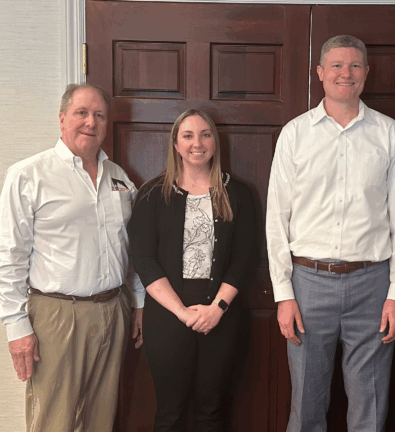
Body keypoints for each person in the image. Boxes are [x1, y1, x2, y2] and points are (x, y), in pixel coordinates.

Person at [266, 35, 395, 432]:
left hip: (373, 285)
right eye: (336, 65)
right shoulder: (295, 134)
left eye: (354, 65)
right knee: (306, 403)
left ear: (366, 73)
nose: (345, 73)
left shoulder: (389, 133)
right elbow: (276, 218)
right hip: (307, 283)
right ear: (320, 72)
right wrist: (283, 294)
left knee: (370, 404)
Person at [0, 83, 144, 432]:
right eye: (81, 113)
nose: (91, 122)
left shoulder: (119, 179)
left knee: (101, 419)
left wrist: (138, 302)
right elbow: (9, 256)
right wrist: (16, 327)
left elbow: (133, 247)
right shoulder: (28, 175)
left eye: (99, 115)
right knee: (54, 422)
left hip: (113, 311)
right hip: (57, 315)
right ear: (62, 119)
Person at [127, 109, 257, 431]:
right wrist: (182, 312)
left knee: (212, 412)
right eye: (188, 135)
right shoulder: (153, 194)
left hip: (221, 316)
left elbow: (245, 257)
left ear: (215, 141)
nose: (197, 143)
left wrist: (217, 308)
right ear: (175, 144)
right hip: (167, 315)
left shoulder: (238, 194)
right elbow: (144, 259)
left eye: (205, 134)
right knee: (169, 413)